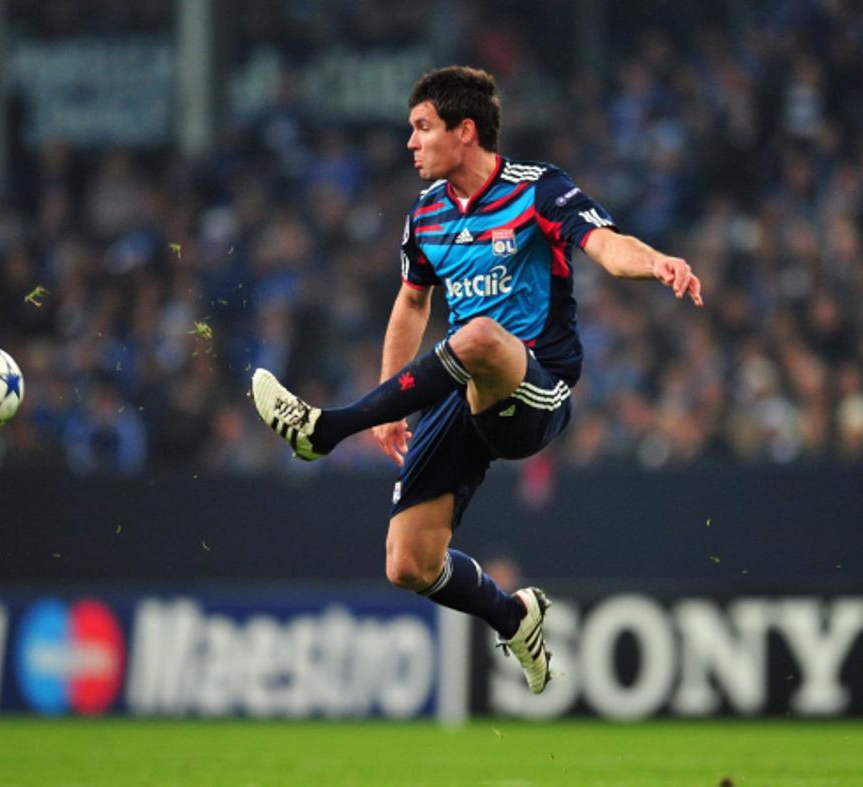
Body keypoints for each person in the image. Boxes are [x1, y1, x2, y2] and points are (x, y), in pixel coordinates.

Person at [250, 66, 702, 695]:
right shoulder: (426, 217)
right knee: (408, 563)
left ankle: (325, 430)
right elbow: (411, 305)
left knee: (484, 335)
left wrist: (656, 263)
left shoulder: (539, 189)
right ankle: (513, 617)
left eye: (422, 128)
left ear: (465, 132)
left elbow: (603, 244)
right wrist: (391, 405)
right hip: (465, 389)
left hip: (535, 389)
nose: (410, 142)